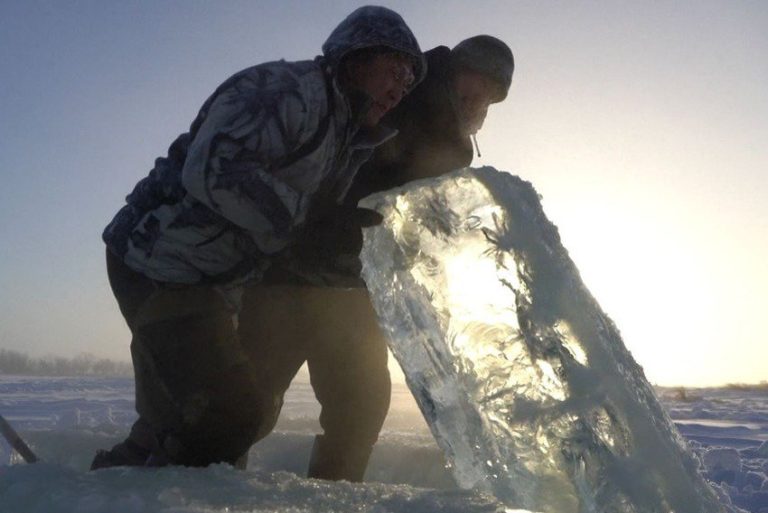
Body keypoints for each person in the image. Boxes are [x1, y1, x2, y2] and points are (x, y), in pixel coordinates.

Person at [90, 6, 425, 470]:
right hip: (158, 261)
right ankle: (139, 488)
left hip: (213, 282)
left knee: (204, 413)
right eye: (395, 71)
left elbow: (298, 231)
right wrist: (307, 220)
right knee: (227, 418)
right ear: (356, 56)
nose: (399, 89)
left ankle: (116, 482)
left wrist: (351, 256)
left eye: (407, 83)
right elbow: (213, 169)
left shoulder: (344, 138)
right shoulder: (285, 91)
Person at [238, 35, 514, 481]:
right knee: (245, 407)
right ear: (453, 69)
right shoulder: (394, 91)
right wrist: (318, 220)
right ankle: (187, 492)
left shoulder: (456, 150)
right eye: (474, 79)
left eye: (490, 93)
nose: (477, 95)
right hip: (288, 276)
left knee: (359, 410)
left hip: (357, 291)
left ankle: (333, 502)